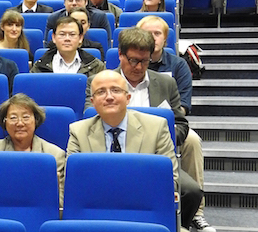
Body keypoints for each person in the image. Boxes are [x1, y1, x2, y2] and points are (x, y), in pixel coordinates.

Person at [72, 70, 202, 231]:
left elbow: (171, 181)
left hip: (144, 211)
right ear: (93, 101)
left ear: (128, 98)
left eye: (115, 90)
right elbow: (74, 184)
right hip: (98, 211)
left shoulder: (157, 127)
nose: (109, 96)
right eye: (101, 92)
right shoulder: (77, 131)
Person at [137, 16, 214, 232]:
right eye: (147, 32)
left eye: (157, 33)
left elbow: (182, 108)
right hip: (134, 124)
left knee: (192, 140)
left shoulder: (178, 65)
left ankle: (197, 213)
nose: (152, 38)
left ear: (166, 38)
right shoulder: (128, 63)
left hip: (168, 123)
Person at [0, 93, 65, 202]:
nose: (20, 123)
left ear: (35, 120)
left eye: (26, 117)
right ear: (5, 122)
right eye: (13, 118)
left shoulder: (54, 155)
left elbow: (59, 201)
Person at [32, 16, 104, 77]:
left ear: (80, 38)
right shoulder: (40, 66)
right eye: (62, 34)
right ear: (54, 38)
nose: (67, 39)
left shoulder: (96, 66)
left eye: (72, 34)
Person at [44, 0, 111, 42]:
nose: (74, 3)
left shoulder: (99, 17)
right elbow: (49, 47)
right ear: (64, 2)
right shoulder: (53, 18)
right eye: (70, 0)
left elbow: (105, 45)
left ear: (86, 1)